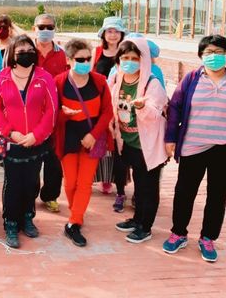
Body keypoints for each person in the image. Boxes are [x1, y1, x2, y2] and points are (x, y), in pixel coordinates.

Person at [162, 35, 226, 263]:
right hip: (192, 146)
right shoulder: (191, 79)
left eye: (218, 52)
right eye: (208, 52)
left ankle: (208, 237)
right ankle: (178, 233)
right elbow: (175, 107)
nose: (213, 56)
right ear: (200, 56)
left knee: (217, 196)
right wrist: (171, 138)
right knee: (184, 192)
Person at [0, 35, 57, 248]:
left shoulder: (45, 77)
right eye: (21, 50)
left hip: (36, 141)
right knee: (13, 183)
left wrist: (37, 134)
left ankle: (27, 217)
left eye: (29, 49)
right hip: (12, 141)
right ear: (12, 54)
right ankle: (10, 222)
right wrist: (11, 132)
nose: (26, 52)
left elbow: (52, 110)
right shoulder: (2, 78)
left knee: (32, 181)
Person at [53, 39, 114, 246]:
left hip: (92, 138)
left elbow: (107, 112)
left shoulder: (99, 81)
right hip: (68, 137)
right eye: (80, 59)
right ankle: (76, 213)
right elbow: (52, 114)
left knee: (85, 182)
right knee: (70, 182)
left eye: (89, 59)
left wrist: (94, 135)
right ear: (69, 60)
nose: (86, 62)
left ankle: (74, 221)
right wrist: (64, 114)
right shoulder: (59, 82)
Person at [111, 37, 169, 244]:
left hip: (148, 145)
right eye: (124, 57)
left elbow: (157, 110)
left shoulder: (151, 83)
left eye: (134, 58)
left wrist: (142, 107)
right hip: (129, 142)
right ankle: (137, 219)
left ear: (143, 60)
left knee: (148, 186)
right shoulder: (118, 79)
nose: (129, 62)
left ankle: (146, 226)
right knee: (138, 183)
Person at [33, 13, 68, 213]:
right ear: (34, 28)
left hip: (55, 114)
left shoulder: (62, 54)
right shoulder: (26, 51)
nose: (45, 30)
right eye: (41, 26)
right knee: (33, 159)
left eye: (49, 27)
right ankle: (31, 193)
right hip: (31, 113)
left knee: (54, 160)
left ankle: (50, 195)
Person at [93, 16, 129, 202]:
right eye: (109, 31)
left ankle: (118, 180)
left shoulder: (127, 52)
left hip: (121, 101)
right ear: (104, 34)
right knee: (102, 140)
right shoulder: (97, 51)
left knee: (117, 143)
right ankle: (103, 178)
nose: (113, 35)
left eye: (116, 31)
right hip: (99, 102)